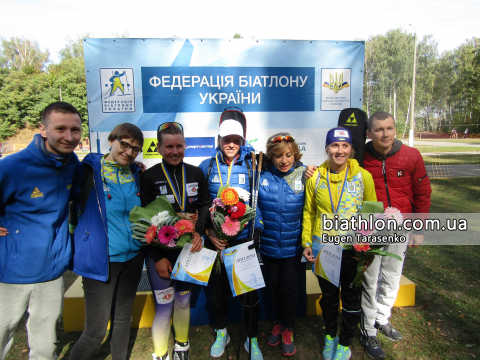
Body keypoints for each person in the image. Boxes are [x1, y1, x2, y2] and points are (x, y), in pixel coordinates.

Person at [0, 101, 82, 360]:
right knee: (3, 332)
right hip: (12, 271)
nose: (69, 137)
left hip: (52, 271)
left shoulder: (72, 164)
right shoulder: (14, 166)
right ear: (43, 130)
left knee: (46, 344)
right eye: (60, 129)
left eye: (75, 130)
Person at [68, 123, 145, 360]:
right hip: (101, 260)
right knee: (95, 331)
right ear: (112, 140)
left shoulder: (136, 173)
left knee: (123, 319)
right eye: (124, 144)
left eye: (135, 149)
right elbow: (60, 201)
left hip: (133, 258)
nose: (129, 152)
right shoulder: (88, 171)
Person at [360, 111, 431, 359]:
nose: (385, 134)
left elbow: (423, 193)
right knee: (369, 278)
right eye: (379, 129)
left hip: (401, 227)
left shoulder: (412, 156)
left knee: (391, 275)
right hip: (370, 227)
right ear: (369, 133)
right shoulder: (360, 156)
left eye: (389, 128)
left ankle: (382, 318)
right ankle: (367, 329)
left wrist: (419, 229)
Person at [303, 127, 377, 360]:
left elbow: (372, 211)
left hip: (354, 250)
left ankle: (345, 343)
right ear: (327, 149)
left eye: (345, 146)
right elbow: (309, 212)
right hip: (324, 247)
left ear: (351, 149)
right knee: (329, 297)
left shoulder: (363, 176)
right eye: (335, 145)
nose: (340, 150)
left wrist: (369, 246)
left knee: (352, 297)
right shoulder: (315, 177)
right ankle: (329, 336)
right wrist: (306, 242)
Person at [140, 122, 211, 360]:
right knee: (164, 306)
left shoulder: (195, 173)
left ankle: (182, 345)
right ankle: (160, 354)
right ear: (158, 148)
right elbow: (144, 221)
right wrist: (157, 256)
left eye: (179, 145)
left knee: (183, 302)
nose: (174, 151)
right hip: (160, 255)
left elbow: (203, 205)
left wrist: (199, 231)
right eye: (169, 146)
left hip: (189, 251)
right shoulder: (149, 177)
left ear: (185, 146)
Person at [198, 119, 263, 359]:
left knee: (250, 295)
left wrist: (259, 229)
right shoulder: (207, 165)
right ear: (219, 140)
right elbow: (202, 204)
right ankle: (222, 332)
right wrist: (209, 233)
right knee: (219, 293)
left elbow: (259, 199)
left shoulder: (251, 164)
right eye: (227, 140)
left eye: (236, 140)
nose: (231, 144)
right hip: (217, 242)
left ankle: (252, 338)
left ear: (242, 141)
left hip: (243, 240)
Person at [256, 133, 305, 357]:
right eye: (278, 156)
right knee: (273, 287)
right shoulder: (262, 176)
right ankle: (277, 322)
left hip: (292, 247)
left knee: (289, 290)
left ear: (295, 155)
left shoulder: (304, 175)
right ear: (271, 157)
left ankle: (288, 328)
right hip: (268, 246)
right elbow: (254, 206)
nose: (284, 160)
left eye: (288, 155)